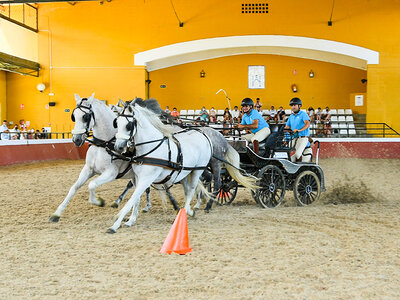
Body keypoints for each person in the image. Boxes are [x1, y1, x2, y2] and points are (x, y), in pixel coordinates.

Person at [284, 97, 311, 162]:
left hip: (303, 138)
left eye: (294, 105)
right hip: (294, 138)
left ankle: (299, 166)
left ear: (299, 106)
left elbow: (307, 124)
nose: (293, 107)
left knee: (298, 154)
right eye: (292, 105)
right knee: (285, 152)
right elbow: (286, 127)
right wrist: (285, 138)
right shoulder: (291, 116)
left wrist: (300, 130)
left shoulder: (303, 114)